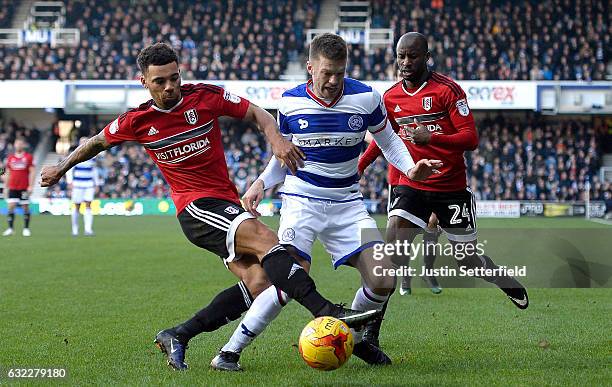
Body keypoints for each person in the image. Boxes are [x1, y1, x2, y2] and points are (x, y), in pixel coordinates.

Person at [40, 42, 380, 371]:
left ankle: (178, 334)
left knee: (260, 280)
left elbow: (258, 113)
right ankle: (327, 311)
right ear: (143, 82)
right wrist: (60, 167)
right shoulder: (137, 121)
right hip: (196, 208)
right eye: (160, 81)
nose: (170, 86)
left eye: (175, 77)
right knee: (267, 240)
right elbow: (96, 142)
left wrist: (276, 139)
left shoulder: (205, 97)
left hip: (225, 202)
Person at [210, 33, 442, 371]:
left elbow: (388, 139)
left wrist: (410, 168)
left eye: (339, 72)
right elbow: (284, 156)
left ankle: (351, 334)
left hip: (347, 203)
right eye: (326, 73)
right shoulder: (289, 102)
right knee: (289, 278)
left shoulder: (366, 97)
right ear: (310, 69)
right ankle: (229, 352)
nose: (333, 81)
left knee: (383, 277)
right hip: (301, 201)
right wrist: (261, 182)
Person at [359, 32, 528, 348]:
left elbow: (471, 138)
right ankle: (372, 333)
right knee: (392, 257)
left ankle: (505, 281)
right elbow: (383, 140)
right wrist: (358, 168)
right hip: (409, 183)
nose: (406, 62)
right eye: (401, 56)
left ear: (427, 56)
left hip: (450, 186)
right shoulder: (390, 98)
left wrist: (431, 138)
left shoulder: (448, 91)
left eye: (413, 56)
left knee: (468, 261)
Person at [359, 140, 442, 295]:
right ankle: (405, 276)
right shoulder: (393, 118)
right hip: (399, 182)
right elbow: (378, 135)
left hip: (429, 178)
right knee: (403, 236)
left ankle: (427, 270)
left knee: (433, 223)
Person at [3, 137, 35, 237]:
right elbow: (7, 172)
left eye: (21, 144)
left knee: (25, 207)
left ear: (23, 145)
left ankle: (26, 229)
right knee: (11, 206)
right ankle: (10, 229)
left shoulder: (28, 157)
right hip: (12, 186)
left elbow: (32, 172)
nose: (19, 145)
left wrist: (31, 186)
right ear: (14, 145)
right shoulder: (10, 158)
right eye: (17, 144)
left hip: (24, 187)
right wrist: (6, 186)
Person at [67, 137, 99, 236]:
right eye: (82, 142)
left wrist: (96, 183)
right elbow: (69, 170)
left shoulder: (92, 155)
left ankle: (88, 229)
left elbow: (94, 171)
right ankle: (75, 229)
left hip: (89, 184)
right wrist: (70, 182)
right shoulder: (75, 155)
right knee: (77, 206)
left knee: (88, 205)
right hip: (77, 184)